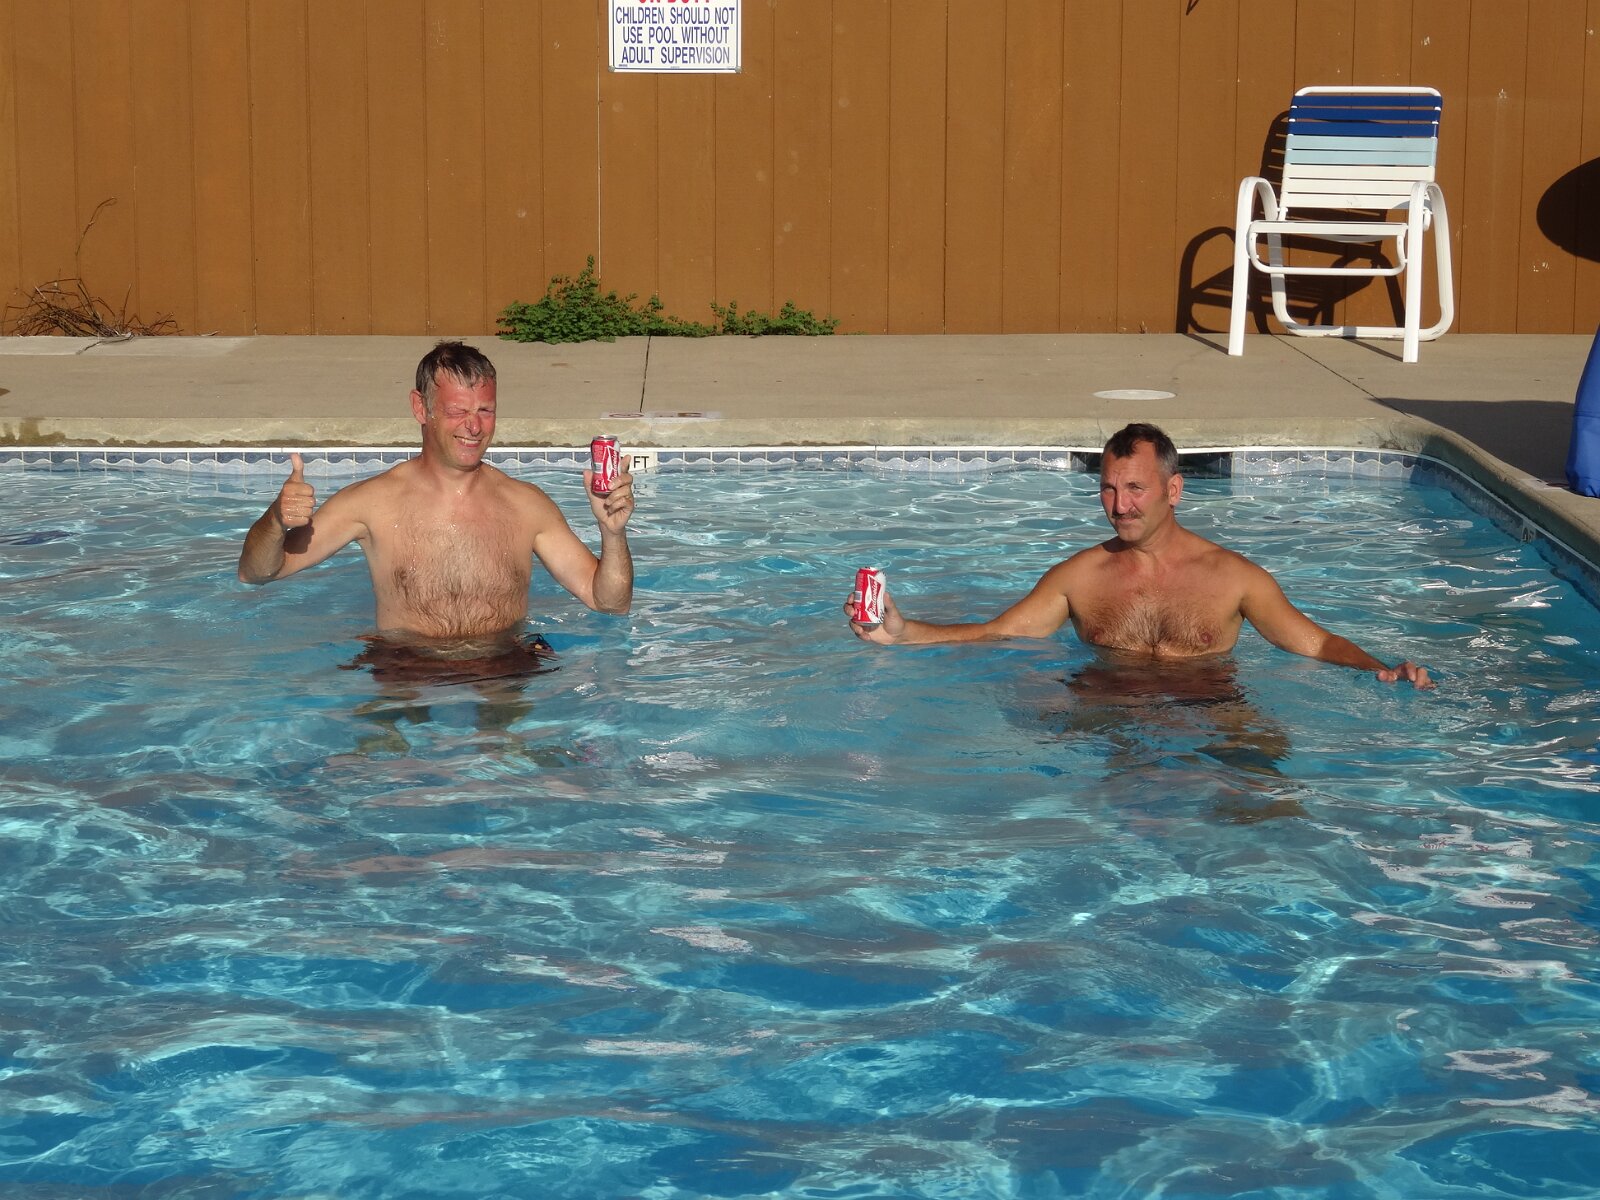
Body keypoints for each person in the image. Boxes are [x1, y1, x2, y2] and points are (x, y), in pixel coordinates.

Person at [847, 422, 1434, 689]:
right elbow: (997, 633)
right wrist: (903, 633)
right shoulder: (1079, 577)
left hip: (1209, 715)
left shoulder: (1234, 578)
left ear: (1173, 490)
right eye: (1108, 488)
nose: (1119, 505)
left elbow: (1316, 644)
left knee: (1266, 794)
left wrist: (1380, 669)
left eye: (1135, 488)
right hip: (1106, 719)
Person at [239, 340, 634, 660]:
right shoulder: (372, 503)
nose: (474, 426)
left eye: (485, 410)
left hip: (504, 661)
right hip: (404, 661)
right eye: (458, 411)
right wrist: (276, 519)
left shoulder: (526, 505)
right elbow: (256, 573)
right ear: (421, 408)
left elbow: (610, 603)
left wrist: (612, 532)